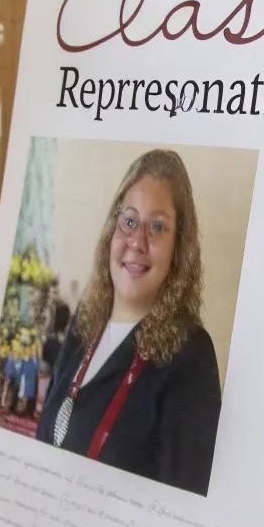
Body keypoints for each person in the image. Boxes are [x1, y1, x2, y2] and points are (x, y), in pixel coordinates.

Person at [37, 149, 221, 495]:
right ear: (112, 229)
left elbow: (184, 511)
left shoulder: (191, 357)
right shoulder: (85, 320)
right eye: (130, 221)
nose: (138, 242)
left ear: (179, 248)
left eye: (158, 227)